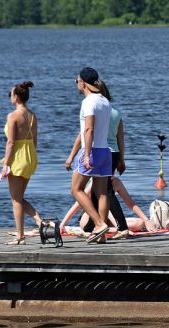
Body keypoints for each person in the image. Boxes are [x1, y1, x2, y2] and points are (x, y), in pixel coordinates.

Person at [65, 67, 112, 243]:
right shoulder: (105, 101)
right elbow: (87, 130)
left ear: (83, 83)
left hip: (91, 151)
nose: (76, 84)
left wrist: (85, 155)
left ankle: (99, 224)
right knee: (102, 193)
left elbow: (89, 129)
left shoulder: (88, 102)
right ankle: (102, 237)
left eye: (76, 81)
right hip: (104, 151)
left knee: (76, 189)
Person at [0, 81, 42, 245]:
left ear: (16, 97)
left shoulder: (13, 116)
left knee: (15, 199)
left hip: (18, 157)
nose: (10, 96)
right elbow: (35, 141)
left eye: (11, 94)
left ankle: (20, 237)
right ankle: (40, 221)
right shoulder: (32, 115)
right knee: (19, 196)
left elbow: (10, 142)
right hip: (30, 156)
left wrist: (6, 164)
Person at [60, 177, 158, 236]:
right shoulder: (95, 182)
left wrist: (146, 220)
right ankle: (118, 229)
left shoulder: (116, 182)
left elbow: (130, 203)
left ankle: (114, 229)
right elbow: (77, 205)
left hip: (108, 219)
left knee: (139, 223)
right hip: (89, 219)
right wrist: (62, 225)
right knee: (105, 203)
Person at [95, 79, 128, 232]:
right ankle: (92, 224)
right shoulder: (116, 113)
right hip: (114, 152)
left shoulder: (96, 111)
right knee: (100, 188)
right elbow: (120, 138)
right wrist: (122, 159)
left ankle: (122, 226)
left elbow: (86, 133)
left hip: (101, 151)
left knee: (106, 190)